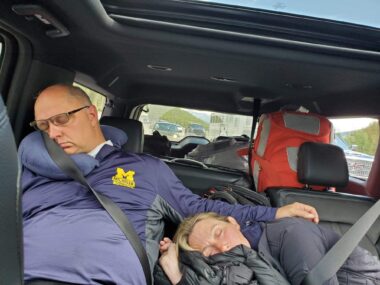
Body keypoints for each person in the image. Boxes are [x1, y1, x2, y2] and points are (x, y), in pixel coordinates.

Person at [21, 84, 320, 285]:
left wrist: (274, 214)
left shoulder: (146, 169)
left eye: (61, 119)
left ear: (91, 115)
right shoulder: (30, 171)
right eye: (44, 126)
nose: (53, 133)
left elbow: (197, 208)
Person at [159, 212, 380, 285]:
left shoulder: (290, 235)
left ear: (232, 221)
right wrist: (177, 270)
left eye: (218, 233)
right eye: (209, 252)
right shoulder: (240, 261)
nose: (222, 246)